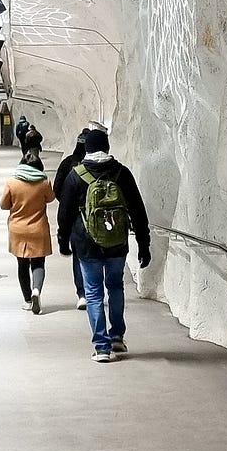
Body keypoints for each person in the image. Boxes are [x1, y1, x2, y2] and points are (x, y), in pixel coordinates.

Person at [55, 127, 150, 361]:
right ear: (107, 147)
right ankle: (117, 335)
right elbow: (137, 210)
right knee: (115, 286)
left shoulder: (76, 175)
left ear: (86, 149)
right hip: (117, 243)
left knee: (94, 293)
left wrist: (63, 240)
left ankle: (101, 347)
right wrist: (143, 243)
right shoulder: (121, 173)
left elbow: (64, 213)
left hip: (86, 245)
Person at [0, 148, 55, 313]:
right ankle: (36, 290)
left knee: (22, 265)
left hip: (18, 229)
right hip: (38, 228)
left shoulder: (11, 182)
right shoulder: (44, 182)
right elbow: (51, 198)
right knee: (38, 263)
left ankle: (27, 300)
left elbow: (3, 205)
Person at [53, 127, 90, 310]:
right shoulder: (102, 166)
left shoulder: (68, 163)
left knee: (79, 256)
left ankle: (82, 293)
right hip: (99, 218)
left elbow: (57, 189)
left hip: (76, 217)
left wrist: (68, 204)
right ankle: (95, 290)